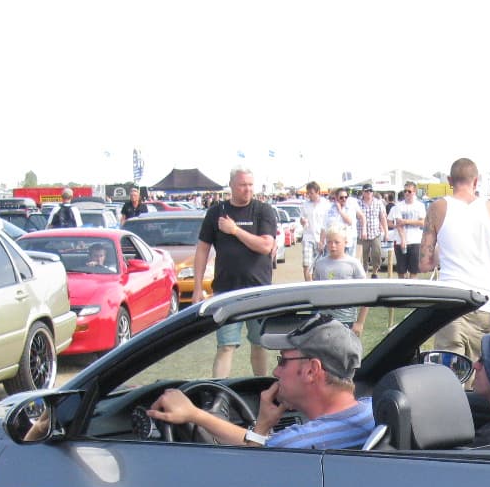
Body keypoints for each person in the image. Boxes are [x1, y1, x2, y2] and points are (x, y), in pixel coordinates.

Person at [146, 317, 374, 450]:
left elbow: (252, 470)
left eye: (283, 361)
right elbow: (265, 448)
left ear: (311, 370)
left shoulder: (301, 443)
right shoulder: (374, 410)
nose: (275, 371)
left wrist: (194, 415)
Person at [420, 157, 490, 360]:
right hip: (484, 301)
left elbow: (425, 263)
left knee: (449, 374)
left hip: (450, 301)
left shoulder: (437, 208)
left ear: (450, 180)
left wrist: (444, 250)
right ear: (476, 181)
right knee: (479, 371)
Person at [194, 167, 279, 378]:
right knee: (226, 346)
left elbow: (265, 246)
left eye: (250, 185)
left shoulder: (263, 211)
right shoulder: (216, 212)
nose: (247, 189)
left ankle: (261, 386)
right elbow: (202, 249)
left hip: (258, 290)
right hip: (226, 290)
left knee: (259, 344)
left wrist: (235, 230)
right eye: (242, 185)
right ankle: (218, 391)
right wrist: (197, 287)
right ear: (231, 185)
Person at [310, 225, 368, 335]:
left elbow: (366, 294)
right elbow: (315, 292)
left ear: (345, 242)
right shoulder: (320, 264)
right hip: (324, 319)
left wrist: (360, 322)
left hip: (346, 320)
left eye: (337, 242)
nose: (333, 246)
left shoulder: (353, 264)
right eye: (329, 242)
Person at [389, 184, 426, 279]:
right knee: (401, 271)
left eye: (409, 191)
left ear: (414, 192)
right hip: (400, 241)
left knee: (414, 270)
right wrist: (403, 240)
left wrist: (406, 221)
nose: (406, 193)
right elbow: (399, 224)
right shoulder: (398, 206)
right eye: (405, 191)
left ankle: (413, 290)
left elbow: (422, 222)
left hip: (415, 240)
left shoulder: (420, 206)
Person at [299, 181, 331, 281]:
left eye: (311, 193)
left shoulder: (326, 204)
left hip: (323, 239)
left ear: (318, 192)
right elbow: (301, 218)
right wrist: (303, 221)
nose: (309, 195)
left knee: (323, 267)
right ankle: (308, 287)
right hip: (308, 237)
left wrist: (322, 241)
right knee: (307, 265)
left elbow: (327, 223)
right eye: (308, 193)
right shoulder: (305, 205)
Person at [356, 185, 388, 278]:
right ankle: (363, 273)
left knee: (377, 253)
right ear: (363, 192)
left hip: (375, 233)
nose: (369, 192)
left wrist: (386, 232)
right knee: (363, 256)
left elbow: (382, 218)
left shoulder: (378, 203)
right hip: (361, 234)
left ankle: (375, 272)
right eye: (366, 191)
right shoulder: (358, 203)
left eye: (370, 191)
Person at [326, 188, 361, 257]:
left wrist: (340, 211)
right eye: (341, 197)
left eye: (346, 197)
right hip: (335, 241)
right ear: (336, 198)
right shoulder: (330, 208)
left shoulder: (350, 207)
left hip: (348, 240)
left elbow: (349, 222)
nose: (344, 199)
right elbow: (325, 225)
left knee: (347, 264)